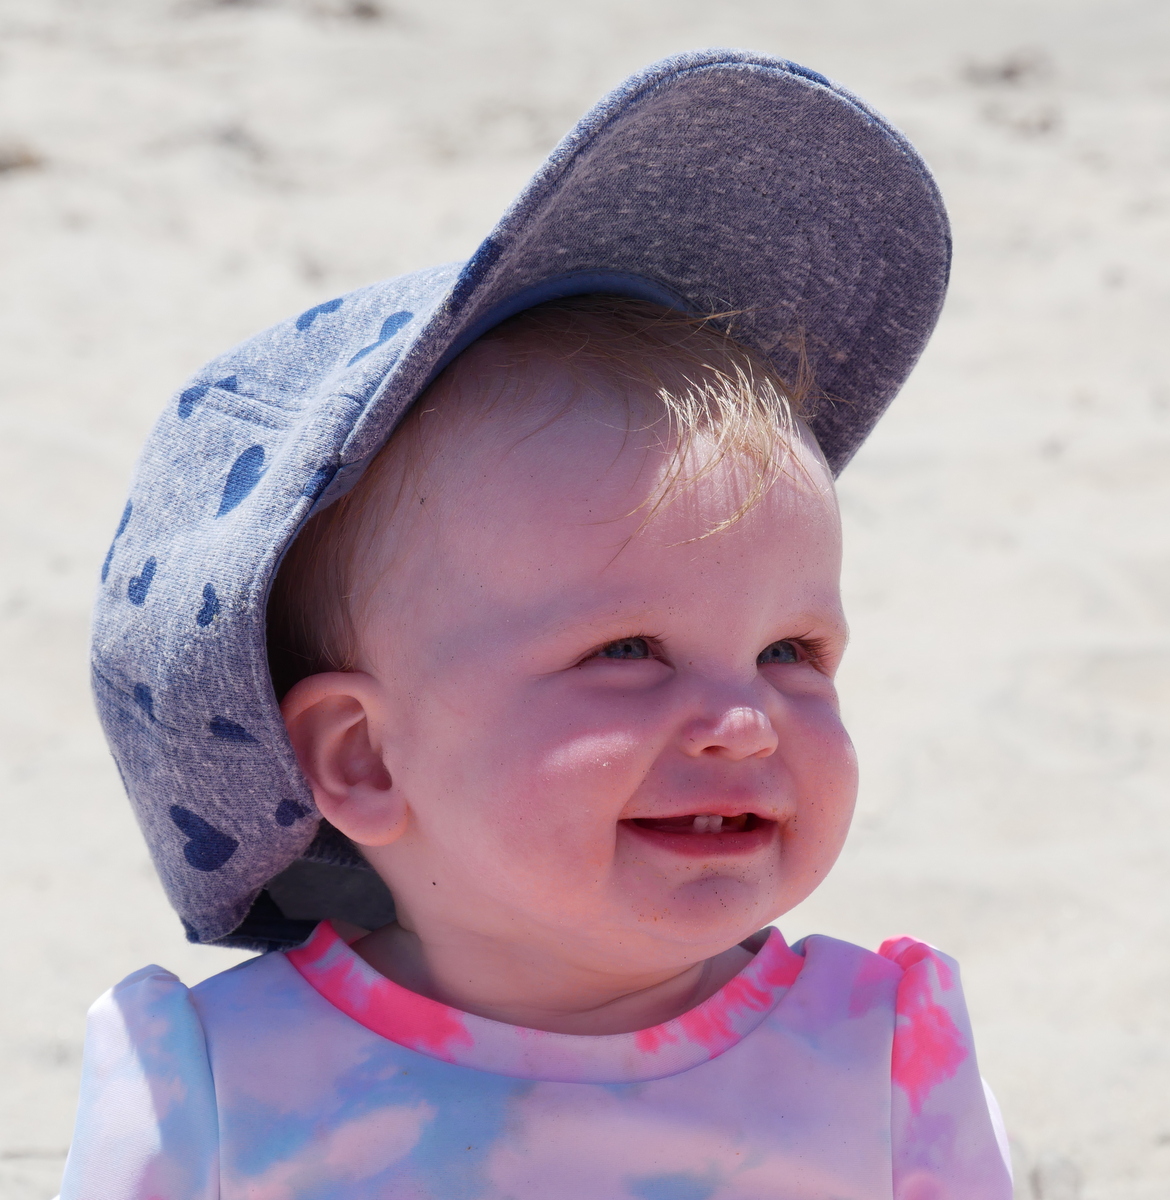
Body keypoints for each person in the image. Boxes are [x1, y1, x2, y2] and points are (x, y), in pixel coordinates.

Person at [65, 50, 1012, 1200]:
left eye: (788, 652)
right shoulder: (215, 1091)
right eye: (627, 652)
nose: (745, 720)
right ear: (365, 758)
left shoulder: (882, 1060)